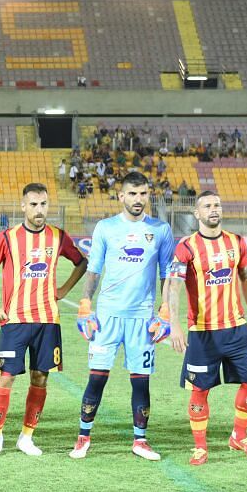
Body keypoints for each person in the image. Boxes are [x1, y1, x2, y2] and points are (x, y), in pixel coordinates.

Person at [71, 171, 175, 460]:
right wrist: (85, 303)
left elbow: (167, 273)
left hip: (142, 318)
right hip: (107, 317)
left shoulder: (161, 230)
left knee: (141, 380)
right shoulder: (106, 228)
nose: (138, 199)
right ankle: (83, 437)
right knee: (97, 378)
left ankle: (140, 441)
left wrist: (165, 310)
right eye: (132, 194)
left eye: (143, 194)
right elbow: (94, 269)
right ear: (121, 196)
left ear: (148, 195)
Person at [0, 183, 87, 456]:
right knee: (5, 378)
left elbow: (81, 262)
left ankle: (26, 437)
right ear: (23, 206)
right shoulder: (8, 237)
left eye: (44, 204)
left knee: (40, 378)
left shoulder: (58, 237)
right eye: (34, 205)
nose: (39, 210)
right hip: (14, 320)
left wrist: (64, 289)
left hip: (48, 321)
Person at [167, 192, 247, 465]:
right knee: (200, 389)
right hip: (202, 331)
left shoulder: (236, 242)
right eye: (207, 206)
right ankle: (200, 447)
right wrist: (174, 324)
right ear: (197, 214)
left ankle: (239, 436)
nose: (214, 209)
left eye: (217, 205)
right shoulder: (186, 247)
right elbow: (174, 286)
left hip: (236, 328)